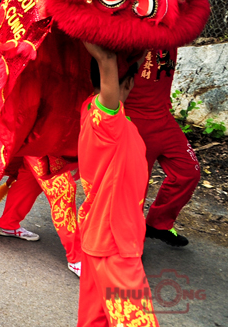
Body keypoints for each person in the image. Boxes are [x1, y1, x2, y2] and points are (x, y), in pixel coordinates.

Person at [78, 42, 156, 327]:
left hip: (100, 234)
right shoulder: (106, 121)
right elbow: (107, 60)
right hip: (114, 241)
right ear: (131, 82)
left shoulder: (92, 110)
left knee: (95, 321)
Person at [125, 48, 200, 248]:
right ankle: (128, 238)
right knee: (135, 187)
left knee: (188, 171)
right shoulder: (129, 27)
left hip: (163, 117)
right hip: (134, 117)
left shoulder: (173, 31)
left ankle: (158, 223)